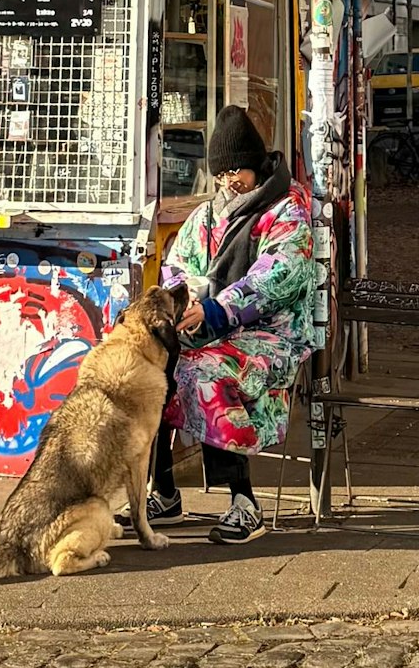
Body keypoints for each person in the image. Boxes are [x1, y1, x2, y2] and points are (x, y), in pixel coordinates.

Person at [134, 105, 317, 544]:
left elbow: (277, 277)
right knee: (151, 369)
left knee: (205, 371)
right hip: (211, 330)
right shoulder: (209, 214)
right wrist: (186, 301)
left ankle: (244, 502)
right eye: (220, 174)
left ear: (255, 166)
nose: (228, 181)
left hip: (272, 335)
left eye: (236, 171)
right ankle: (162, 492)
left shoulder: (288, 211)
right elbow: (177, 266)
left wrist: (217, 309)